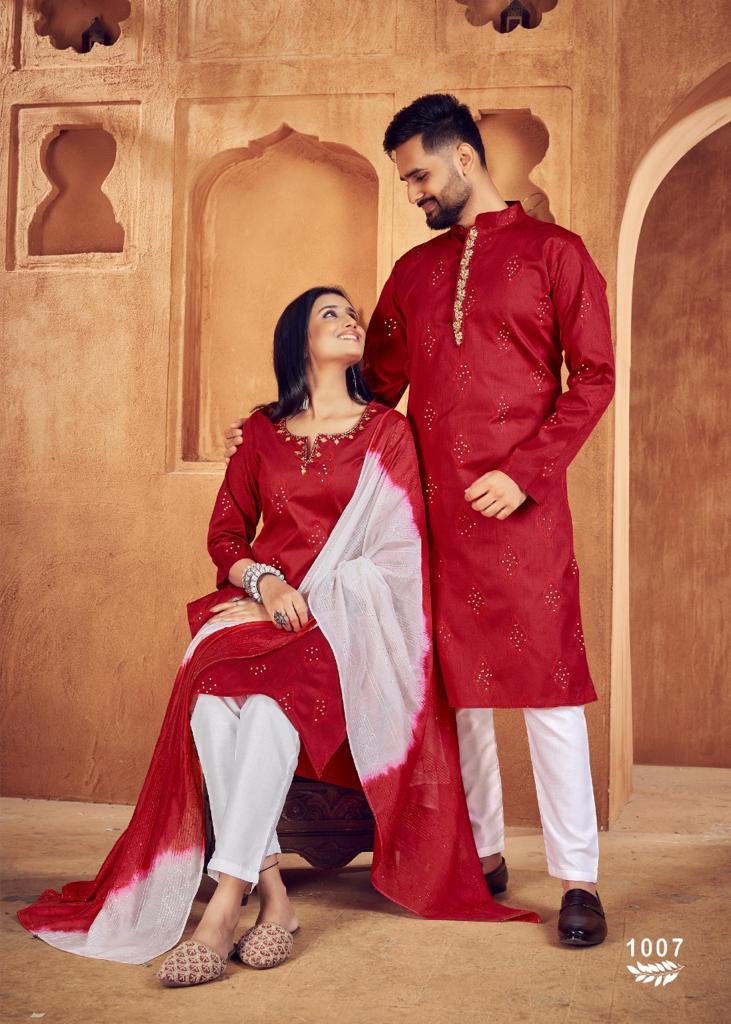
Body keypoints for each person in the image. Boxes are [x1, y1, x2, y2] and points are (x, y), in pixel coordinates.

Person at [18, 286, 538, 988]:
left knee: (266, 710)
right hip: (262, 611)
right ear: (298, 339)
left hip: (346, 624)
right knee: (209, 703)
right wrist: (264, 585)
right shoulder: (260, 432)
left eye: (352, 313)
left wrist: (321, 598)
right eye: (332, 313)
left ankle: (222, 905)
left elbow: (398, 552)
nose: (351, 321)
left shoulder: (387, 431)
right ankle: (275, 900)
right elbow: (225, 535)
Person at [226, 95, 615, 946]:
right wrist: (279, 422)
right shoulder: (414, 271)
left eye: (419, 175)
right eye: (406, 180)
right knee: (451, 697)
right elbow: (371, 388)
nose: (413, 192)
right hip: (426, 524)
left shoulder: (555, 253)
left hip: (524, 517)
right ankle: (481, 854)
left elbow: (593, 377)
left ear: (465, 158)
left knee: (548, 697)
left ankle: (578, 880)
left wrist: (525, 474)